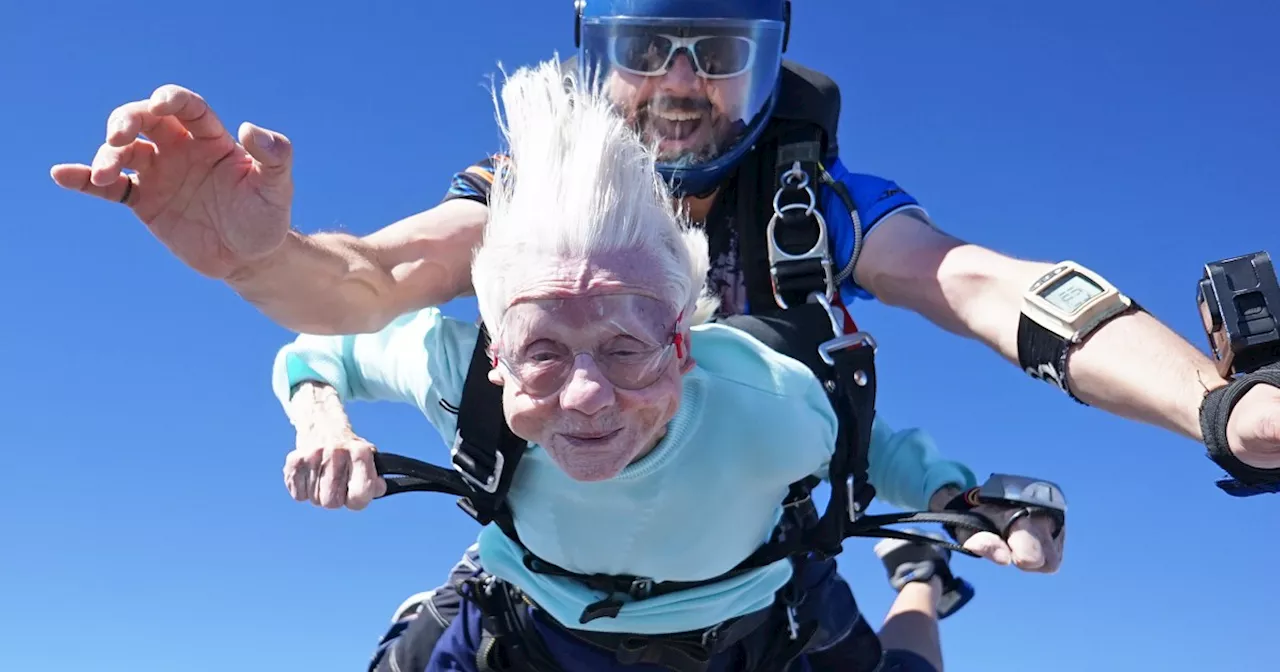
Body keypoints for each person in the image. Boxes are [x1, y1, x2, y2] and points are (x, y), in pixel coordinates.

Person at [49, 0, 1280, 487]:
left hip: (762, 592)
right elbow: (368, 284)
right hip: (541, 592)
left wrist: (1218, 409)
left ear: (764, 65)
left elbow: (983, 283)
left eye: (716, 51)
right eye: (646, 50)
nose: (680, 85)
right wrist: (251, 258)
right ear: (599, 61)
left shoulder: (812, 201)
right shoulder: (521, 201)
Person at [269, 58, 1063, 672]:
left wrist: (953, 503)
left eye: (625, 350)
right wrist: (323, 421)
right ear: (498, 358)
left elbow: (865, 440)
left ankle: (917, 576)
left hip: (760, 619)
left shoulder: (762, 394)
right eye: (542, 351)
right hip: (532, 616)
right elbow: (312, 352)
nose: (585, 397)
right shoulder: (458, 368)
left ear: (685, 349)